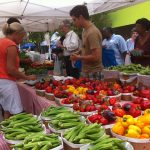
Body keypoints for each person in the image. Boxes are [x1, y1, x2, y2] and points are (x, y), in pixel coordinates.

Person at [0, 22, 36, 119]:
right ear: (16, 34)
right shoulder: (11, 45)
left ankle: (5, 133)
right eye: (22, 37)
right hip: (6, 83)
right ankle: (11, 133)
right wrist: (27, 77)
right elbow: (11, 69)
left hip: (1, 83)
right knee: (17, 114)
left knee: (7, 111)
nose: (21, 40)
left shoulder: (1, 41)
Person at [70, 5, 103, 80]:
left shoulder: (92, 32)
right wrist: (79, 52)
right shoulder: (85, 30)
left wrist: (78, 57)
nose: (73, 23)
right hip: (86, 71)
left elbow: (96, 57)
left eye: (74, 19)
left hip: (94, 73)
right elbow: (86, 47)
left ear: (81, 17)